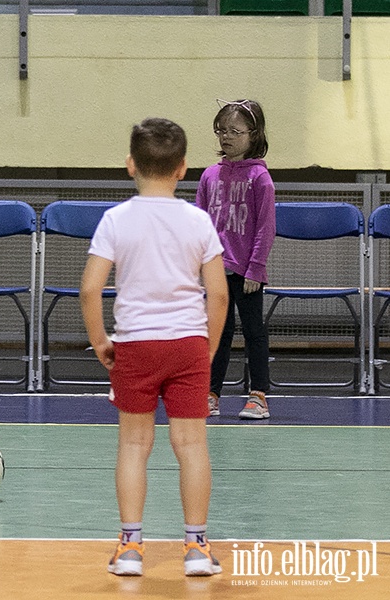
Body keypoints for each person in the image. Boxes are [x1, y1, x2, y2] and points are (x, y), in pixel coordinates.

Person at [80, 118, 229, 577]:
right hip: (187, 343)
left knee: (133, 444)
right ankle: (197, 548)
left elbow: (89, 290)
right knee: (191, 444)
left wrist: (101, 341)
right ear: (183, 168)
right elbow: (219, 295)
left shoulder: (116, 220)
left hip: (136, 345)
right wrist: (206, 348)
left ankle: (130, 547)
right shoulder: (198, 220)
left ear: (130, 165)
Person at [196, 99, 275, 419]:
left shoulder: (260, 179)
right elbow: (200, 223)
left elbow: (266, 227)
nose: (226, 137)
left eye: (235, 131)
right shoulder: (209, 176)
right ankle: (210, 393)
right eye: (221, 130)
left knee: (254, 332)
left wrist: (255, 268)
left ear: (253, 134)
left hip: (247, 272)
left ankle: (258, 395)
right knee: (218, 332)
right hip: (216, 269)